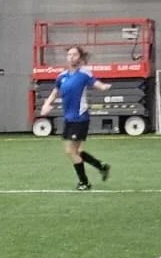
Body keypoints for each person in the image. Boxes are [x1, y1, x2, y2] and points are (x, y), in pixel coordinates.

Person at [39, 45, 113, 191]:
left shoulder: (84, 74)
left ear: (80, 57)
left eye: (74, 54)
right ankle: (101, 166)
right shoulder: (62, 76)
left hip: (80, 117)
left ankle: (84, 182)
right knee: (76, 151)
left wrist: (103, 86)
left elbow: (96, 83)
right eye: (69, 54)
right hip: (69, 118)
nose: (71, 57)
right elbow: (55, 92)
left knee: (70, 151)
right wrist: (46, 105)